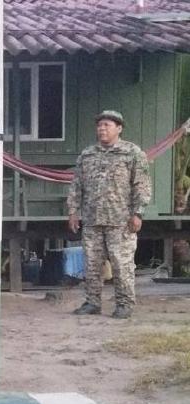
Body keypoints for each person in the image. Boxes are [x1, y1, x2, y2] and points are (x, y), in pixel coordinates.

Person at [67, 110, 151, 319]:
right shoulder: (87, 155)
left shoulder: (132, 153)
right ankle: (92, 302)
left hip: (120, 221)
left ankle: (124, 304)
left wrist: (138, 213)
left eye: (107, 125)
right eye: (100, 125)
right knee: (91, 265)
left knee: (122, 265)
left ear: (119, 128)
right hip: (92, 219)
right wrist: (73, 211)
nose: (102, 129)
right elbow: (76, 185)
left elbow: (141, 185)